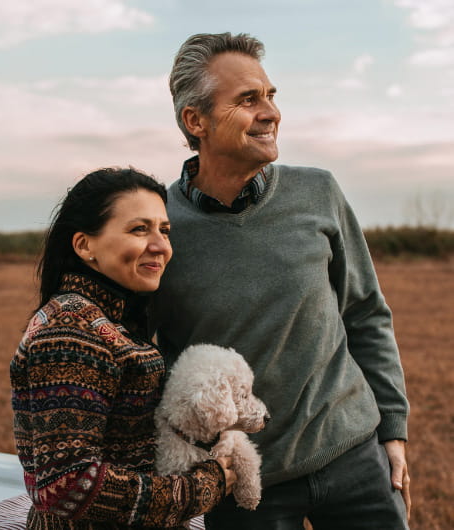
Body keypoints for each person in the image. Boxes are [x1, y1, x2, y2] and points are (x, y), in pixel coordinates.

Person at [152, 32, 411, 530]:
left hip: (354, 456)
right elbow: (149, 357)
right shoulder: (161, 227)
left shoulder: (319, 191)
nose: (270, 112)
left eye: (270, 96)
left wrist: (393, 431)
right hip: (242, 482)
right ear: (195, 120)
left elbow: (366, 314)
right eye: (248, 99)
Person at [11, 167, 236, 529]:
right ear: (85, 245)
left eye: (164, 230)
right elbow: (70, 486)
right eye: (139, 229)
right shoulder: (70, 334)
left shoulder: (110, 317)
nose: (161, 245)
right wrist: (202, 487)